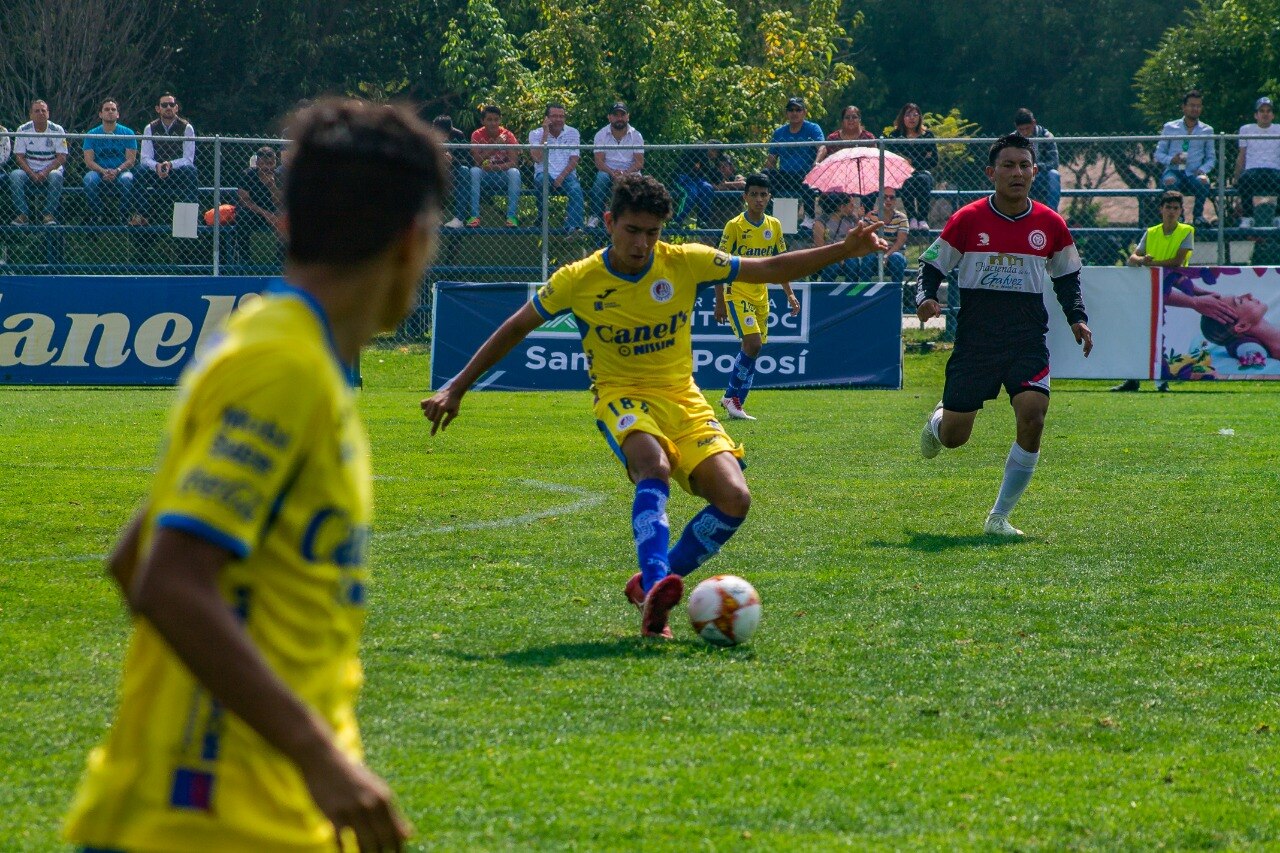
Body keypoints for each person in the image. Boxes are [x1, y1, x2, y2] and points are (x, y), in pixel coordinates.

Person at [63, 97, 446, 853]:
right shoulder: (283, 367)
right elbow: (166, 579)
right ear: (412, 241)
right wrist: (316, 756)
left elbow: (133, 558)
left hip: (266, 814)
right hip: (202, 825)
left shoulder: (282, 349)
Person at [421, 174, 885, 638]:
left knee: (734, 498)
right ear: (609, 222)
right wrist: (456, 387)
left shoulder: (686, 262)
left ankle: (652, 583)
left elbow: (770, 268)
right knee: (653, 465)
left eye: (653, 232)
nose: (642, 243)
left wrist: (843, 249)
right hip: (620, 397)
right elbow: (517, 326)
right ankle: (661, 584)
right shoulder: (578, 280)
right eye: (632, 231)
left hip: (683, 398)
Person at [915, 133, 1094, 537]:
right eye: (1009, 165)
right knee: (956, 438)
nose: (1017, 173)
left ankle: (998, 518)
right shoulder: (967, 219)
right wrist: (927, 298)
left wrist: (1077, 318)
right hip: (976, 341)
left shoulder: (1051, 224)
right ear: (991, 172)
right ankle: (938, 421)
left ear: (1034, 171)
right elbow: (931, 266)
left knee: (1033, 417)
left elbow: (1068, 278)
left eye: (1024, 165)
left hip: (1026, 338)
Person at [714, 173, 801, 420]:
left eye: (763, 195)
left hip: (760, 295)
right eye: (754, 194)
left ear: (769, 197)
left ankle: (736, 403)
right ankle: (731, 396)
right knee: (754, 344)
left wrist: (790, 294)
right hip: (736, 292)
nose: (759, 199)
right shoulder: (734, 226)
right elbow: (718, 264)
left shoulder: (773, 225)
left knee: (753, 349)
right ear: (745, 197)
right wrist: (719, 300)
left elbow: (781, 264)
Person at [1115, 190, 1201, 391]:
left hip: (1172, 289)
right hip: (1150, 290)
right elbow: (1132, 258)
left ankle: (1162, 381)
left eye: (1176, 208)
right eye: (1168, 207)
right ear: (1160, 209)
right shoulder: (1151, 232)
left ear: (1181, 211)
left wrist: (1149, 265)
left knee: (1165, 336)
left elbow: (1177, 261)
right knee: (1139, 333)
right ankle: (1133, 379)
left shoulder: (1186, 231)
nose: (1171, 212)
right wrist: (1141, 260)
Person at [1154, 90, 1216, 228]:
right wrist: (1171, 160)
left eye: (1198, 106)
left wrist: (1202, 170)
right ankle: (1178, 217)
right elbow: (1158, 154)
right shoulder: (1170, 127)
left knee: (1203, 182)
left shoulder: (1207, 130)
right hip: (1174, 171)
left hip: (1194, 172)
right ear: (1184, 107)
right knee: (1170, 182)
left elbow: (1211, 158)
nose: (1195, 109)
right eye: (1192, 105)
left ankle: (1198, 216)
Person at [139, 93, 198, 225]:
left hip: (178, 173)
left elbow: (188, 159)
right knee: (140, 171)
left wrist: (170, 164)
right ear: (158, 109)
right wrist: (157, 166)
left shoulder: (186, 127)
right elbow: (145, 158)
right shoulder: (150, 128)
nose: (168, 107)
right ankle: (141, 217)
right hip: (155, 173)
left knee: (191, 171)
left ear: (176, 108)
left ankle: (186, 223)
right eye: (164, 105)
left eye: (171, 105)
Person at [763, 97, 824, 222]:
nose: (794, 113)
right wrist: (764, 173)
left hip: (806, 173)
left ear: (804, 112)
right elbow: (772, 158)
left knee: (809, 180)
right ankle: (766, 217)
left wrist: (816, 163)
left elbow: (822, 147)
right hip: (785, 175)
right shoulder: (779, 133)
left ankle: (809, 218)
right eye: (791, 110)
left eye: (798, 109)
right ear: (787, 113)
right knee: (764, 178)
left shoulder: (812, 129)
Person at [9, 99, 67, 225]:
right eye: (37, 111)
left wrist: (45, 172)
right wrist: (32, 173)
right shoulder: (23, 129)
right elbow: (19, 156)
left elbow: (62, 156)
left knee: (56, 175)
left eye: (43, 110)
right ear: (30, 114)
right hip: (29, 170)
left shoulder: (57, 130)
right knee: (15, 175)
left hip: (50, 170)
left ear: (48, 113)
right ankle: (23, 214)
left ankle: (48, 214)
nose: (41, 113)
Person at [82, 98, 139, 225]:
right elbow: (88, 161)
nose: (110, 112)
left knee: (127, 179)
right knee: (88, 180)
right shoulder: (91, 134)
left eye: (113, 109)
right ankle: (96, 215)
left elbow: (131, 160)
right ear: (100, 114)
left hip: (121, 171)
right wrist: (103, 171)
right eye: (106, 109)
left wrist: (117, 170)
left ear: (118, 114)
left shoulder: (128, 133)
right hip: (98, 172)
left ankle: (123, 216)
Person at [528, 102, 584, 231]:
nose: (559, 119)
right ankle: (542, 218)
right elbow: (537, 158)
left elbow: (574, 159)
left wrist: (561, 177)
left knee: (576, 189)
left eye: (561, 116)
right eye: (554, 116)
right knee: (541, 180)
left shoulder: (573, 132)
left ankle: (574, 228)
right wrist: (545, 133)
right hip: (544, 173)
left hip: (566, 174)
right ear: (546, 118)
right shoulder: (535, 133)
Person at [588, 102, 644, 228]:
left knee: (638, 179)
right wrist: (613, 173)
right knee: (601, 178)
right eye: (616, 115)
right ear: (609, 117)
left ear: (627, 117)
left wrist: (625, 174)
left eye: (622, 115)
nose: (619, 118)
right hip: (608, 171)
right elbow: (599, 162)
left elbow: (639, 162)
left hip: (631, 171)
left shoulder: (636, 135)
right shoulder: (601, 134)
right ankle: (595, 216)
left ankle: (636, 217)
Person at [886, 103, 938, 230]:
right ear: (902, 117)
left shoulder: (927, 135)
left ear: (920, 117)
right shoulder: (895, 136)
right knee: (908, 181)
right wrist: (922, 157)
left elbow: (934, 160)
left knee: (922, 180)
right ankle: (912, 217)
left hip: (923, 172)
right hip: (902, 174)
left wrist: (911, 160)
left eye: (915, 115)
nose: (912, 118)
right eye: (908, 114)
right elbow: (894, 159)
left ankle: (922, 218)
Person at [468, 104, 522, 227]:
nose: (493, 123)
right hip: (484, 175)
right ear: (482, 121)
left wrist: (495, 168)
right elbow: (476, 162)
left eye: (496, 119)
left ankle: (511, 217)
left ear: (500, 120)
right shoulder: (477, 135)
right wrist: (495, 146)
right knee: (474, 171)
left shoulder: (508, 135)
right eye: (489, 120)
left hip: (501, 175)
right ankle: (474, 216)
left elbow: (514, 163)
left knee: (515, 173)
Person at [232, 146, 285, 268]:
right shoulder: (247, 175)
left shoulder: (279, 176)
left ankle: (280, 262)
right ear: (257, 163)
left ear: (275, 162)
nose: (267, 167)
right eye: (263, 163)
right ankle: (244, 259)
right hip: (254, 212)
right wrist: (265, 214)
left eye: (271, 163)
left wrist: (272, 186)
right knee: (243, 216)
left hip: (273, 211)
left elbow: (280, 203)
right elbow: (244, 201)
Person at [1234, 96, 1280, 228]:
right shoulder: (1246, 129)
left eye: (1268, 111)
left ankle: (1278, 216)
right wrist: (1236, 176)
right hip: (1253, 170)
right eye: (1262, 111)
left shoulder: (1279, 129)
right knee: (1245, 179)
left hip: (1274, 170)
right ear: (1256, 115)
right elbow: (1241, 155)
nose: (1265, 114)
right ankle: (1248, 217)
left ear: (1273, 115)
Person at [1014, 108, 1060, 211]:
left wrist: (1036, 167)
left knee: (1054, 174)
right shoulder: (1013, 139)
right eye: (1021, 129)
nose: (1025, 132)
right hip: (1021, 174)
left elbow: (1054, 162)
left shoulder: (1046, 136)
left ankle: (1052, 212)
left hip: (1042, 174)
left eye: (1027, 128)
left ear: (1034, 123)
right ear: (1016, 127)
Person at [811, 191, 863, 280]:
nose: (854, 207)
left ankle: (851, 291)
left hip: (847, 254)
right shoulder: (821, 222)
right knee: (833, 267)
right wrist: (839, 258)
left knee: (852, 264)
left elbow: (861, 234)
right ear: (842, 207)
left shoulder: (851, 219)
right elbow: (820, 248)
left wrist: (860, 217)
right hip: (828, 255)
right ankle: (826, 290)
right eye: (851, 205)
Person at [432, 114, 469, 228]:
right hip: (435, 170)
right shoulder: (428, 136)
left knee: (465, 171)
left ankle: (459, 218)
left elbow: (467, 160)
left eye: (445, 134)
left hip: (455, 170)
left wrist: (452, 160)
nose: (443, 136)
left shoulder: (458, 135)